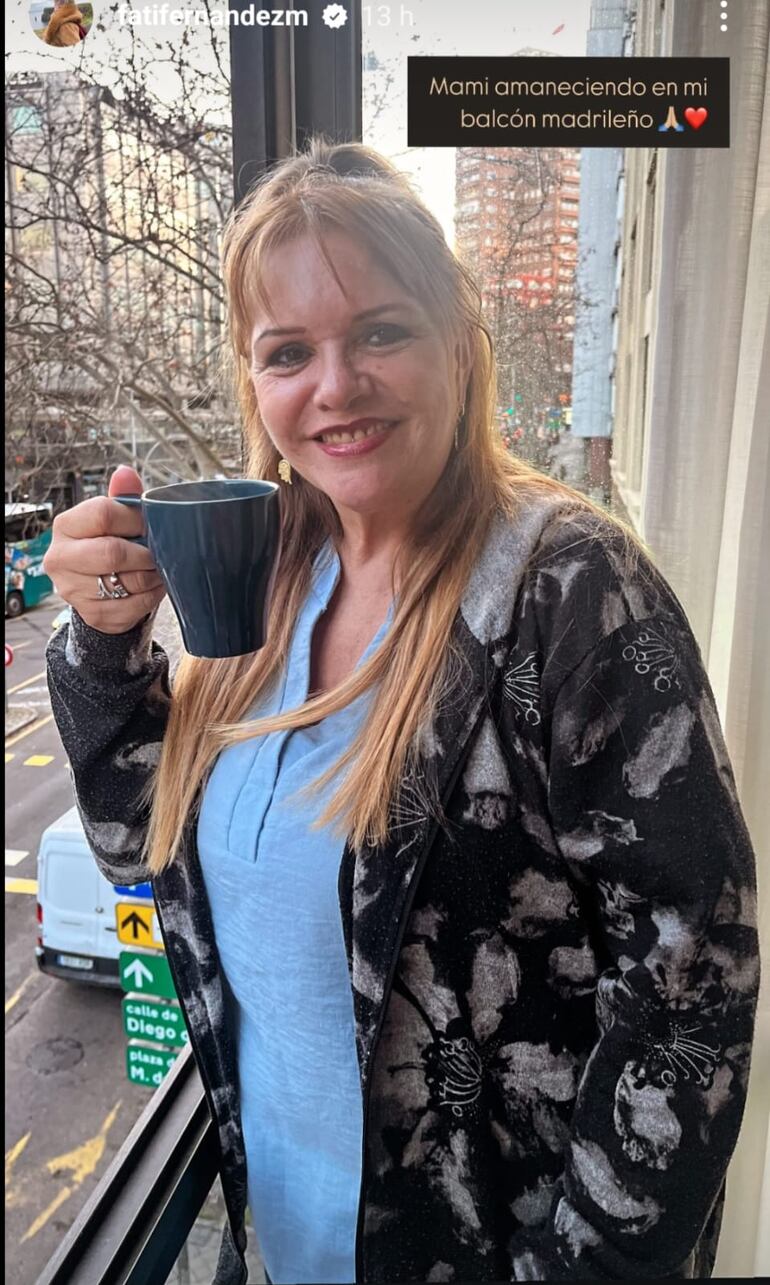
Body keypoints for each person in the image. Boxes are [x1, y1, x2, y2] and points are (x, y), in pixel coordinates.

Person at [45, 138, 759, 1285]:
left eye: (379, 331)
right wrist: (103, 643)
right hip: (285, 1244)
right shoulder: (265, 565)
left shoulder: (571, 590)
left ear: (456, 347)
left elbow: (690, 983)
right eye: (289, 351)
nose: (334, 386)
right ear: (254, 382)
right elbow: (138, 842)